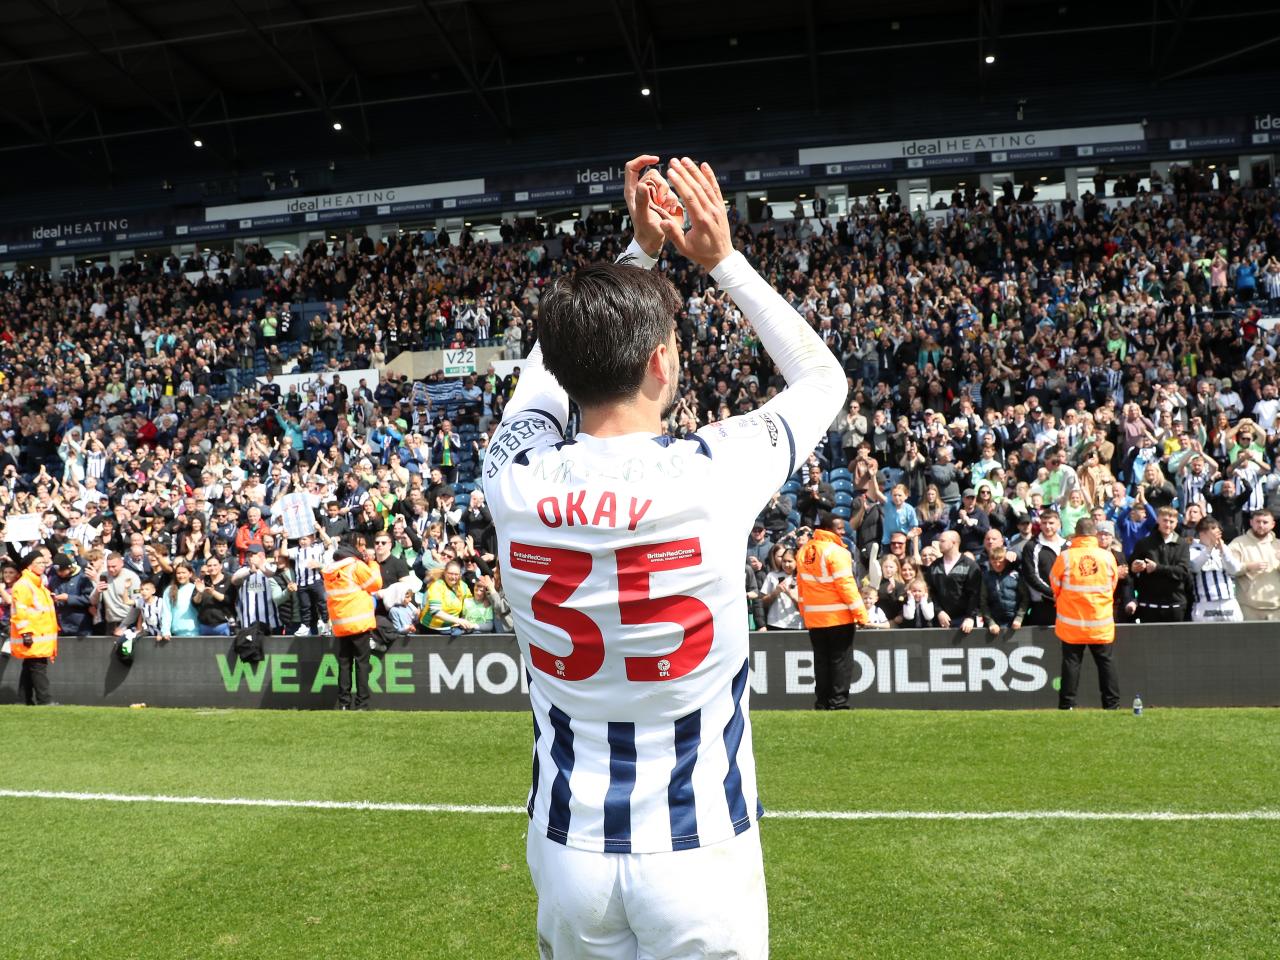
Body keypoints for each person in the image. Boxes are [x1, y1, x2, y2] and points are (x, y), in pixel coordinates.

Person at [484, 154, 844, 958]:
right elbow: (821, 379)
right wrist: (722, 260)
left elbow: (548, 373)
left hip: (569, 842)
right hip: (699, 843)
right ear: (660, 364)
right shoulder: (712, 473)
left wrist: (636, 256)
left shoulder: (510, 478)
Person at [797, 511, 869, 710]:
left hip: (814, 618)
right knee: (840, 661)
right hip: (838, 617)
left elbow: (801, 587)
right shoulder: (837, 552)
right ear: (828, 529)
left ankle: (822, 701)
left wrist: (805, 613)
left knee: (821, 662)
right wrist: (860, 614)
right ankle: (838, 702)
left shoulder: (803, 551)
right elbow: (846, 586)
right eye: (839, 528)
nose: (843, 532)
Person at [1050, 518, 1120, 710]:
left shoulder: (1065, 557)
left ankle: (1066, 705)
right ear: (1095, 533)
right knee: (1106, 663)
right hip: (1100, 621)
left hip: (1072, 622)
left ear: (1076, 533)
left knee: (1071, 664)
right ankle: (1112, 705)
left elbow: (1054, 585)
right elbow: (1113, 585)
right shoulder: (1107, 557)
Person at [321, 534, 383, 710]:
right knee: (362, 664)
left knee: (344, 664)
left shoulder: (330, 571)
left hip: (341, 625)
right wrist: (373, 564)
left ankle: (344, 704)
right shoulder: (355, 566)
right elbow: (376, 584)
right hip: (359, 622)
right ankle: (362, 704)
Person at [10, 548, 58, 705]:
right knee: (38, 667)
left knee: (30, 667)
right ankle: (45, 700)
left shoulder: (38, 584)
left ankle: (24, 700)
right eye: (39, 563)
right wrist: (26, 633)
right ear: (29, 566)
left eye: (44, 562)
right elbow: (20, 611)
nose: (43, 565)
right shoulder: (24, 585)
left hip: (40, 635)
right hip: (33, 635)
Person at [1128, 506, 1193, 622]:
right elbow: (1130, 570)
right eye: (1165, 520)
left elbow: (1183, 572)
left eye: (1171, 522)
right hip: (1148, 605)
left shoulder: (1182, 544)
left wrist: (1157, 568)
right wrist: (1134, 567)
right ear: (1157, 520)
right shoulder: (1144, 543)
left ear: (1177, 522)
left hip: (1175, 605)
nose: (1168, 525)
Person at [1226, 509, 1280, 621]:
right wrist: (1248, 567)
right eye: (1258, 521)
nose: (1261, 525)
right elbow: (1229, 569)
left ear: (1273, 524)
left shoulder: (1278, 544)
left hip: (1277, 607)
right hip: (1248, 607)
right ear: (1251, 522)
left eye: (1265, 522)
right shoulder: (1238, 543)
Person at [923, 530, 982, 633]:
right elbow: (929, 592)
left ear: (954, 543)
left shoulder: (970, 565)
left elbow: (975, 594)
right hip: (940, 620)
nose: (938, 544)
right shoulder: (934, 566)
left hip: (964, 622)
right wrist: (939, 611)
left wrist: (970, 617)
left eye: (942, 541)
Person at [1188, 517, 1243, 622]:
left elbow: (1235, 569)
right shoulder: (1193, 549)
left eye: (1218, 528)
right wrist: (1210, 547)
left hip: (1228, 602)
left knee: (1235, 636)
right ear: (1202, 532)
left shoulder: (1224, 548)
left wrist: (1223, 550)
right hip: (1205, 603)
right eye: (1213, 528)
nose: (1217, 531)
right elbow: (1195, 567)